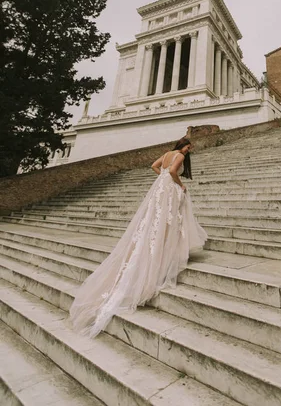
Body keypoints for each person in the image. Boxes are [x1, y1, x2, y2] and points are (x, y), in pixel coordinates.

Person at [69, 137, 207, 338]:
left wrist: (162, 178)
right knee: (167, 221)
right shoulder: (178, 156)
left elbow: (155, 166)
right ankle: (164, 249)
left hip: (160, 188)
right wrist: (180, 185)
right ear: (182, 146)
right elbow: (172, 172)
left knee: (155, 221)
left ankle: (159, 246)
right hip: (169, 189)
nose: (189, 150)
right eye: (188, 147)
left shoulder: (167, 154)